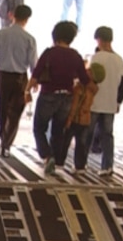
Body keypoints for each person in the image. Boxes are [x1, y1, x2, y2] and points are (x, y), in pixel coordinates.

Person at [30, 21, 88, 170]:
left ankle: (47, 155)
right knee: (58, 131)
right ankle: (55, 160)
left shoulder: (49, 53)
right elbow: (85, 79)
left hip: (48, 95)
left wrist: (27, 91)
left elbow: (35, 74)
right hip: (67, 98)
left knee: (39, 128)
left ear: (55, 35)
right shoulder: (75, 56)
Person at [0, 3, 37, 157]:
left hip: (3, 77)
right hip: (20, 78)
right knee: (15, 113)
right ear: (26, 20)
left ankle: (3, 139)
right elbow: (33, 64)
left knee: (3, 109)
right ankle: (6, 143)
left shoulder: (0, 34)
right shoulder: (29, 39)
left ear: (13, 16)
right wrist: (34, 82)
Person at [75, 25, 123, 173]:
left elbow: (88, 79)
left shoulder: (96, 57)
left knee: (87, 134)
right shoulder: (119, 59)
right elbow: (122, 84)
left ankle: (81, 165)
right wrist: (118, 102)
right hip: (110, 104)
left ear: (99, 40)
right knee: (107, 136)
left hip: (94, 103)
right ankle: (107, 166)